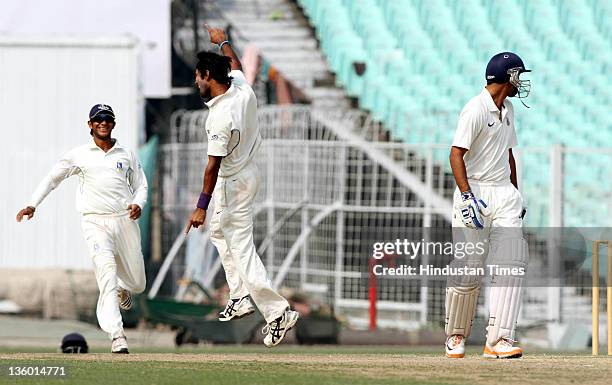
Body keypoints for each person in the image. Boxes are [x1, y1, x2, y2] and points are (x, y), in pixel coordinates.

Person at [185, 25, 299, 348]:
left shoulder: (220, 117)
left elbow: (212, 166)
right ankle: (239, 296)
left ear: (207, 75)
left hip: (231, 182)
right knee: (220, 233)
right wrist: (222, 42)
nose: (196, 82)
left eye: (197, 77)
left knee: (241, 247)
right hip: (247, 174)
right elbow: (234, 63)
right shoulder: (239, 86)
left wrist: (200, 207)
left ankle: (277, 312)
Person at [16, 104, 147, 354]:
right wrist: (32, 204)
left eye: (108, 119)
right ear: (90, 124)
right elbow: (52, 179)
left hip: (124, 220)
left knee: (138, 283)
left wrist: (138, 204)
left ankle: (123, 289)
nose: (103, 123)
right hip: (94, 221)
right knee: (106, 272)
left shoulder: (125, 153)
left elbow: (141, 185)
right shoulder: (80, 154)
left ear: (113, 123)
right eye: (98, 120)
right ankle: (117, 335)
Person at [444, 52, 531, 359]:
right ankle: (456, 335)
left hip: (503, 192)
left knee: (512, 262)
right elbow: (456, 154)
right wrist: (466, 195)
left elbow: (508, 154)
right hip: (475, 191)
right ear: (507, 77)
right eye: (518, 74)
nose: (521, 81)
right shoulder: (475, 109)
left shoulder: (507, 109)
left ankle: (499, 340)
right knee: (469, 268)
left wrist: (516, 194)